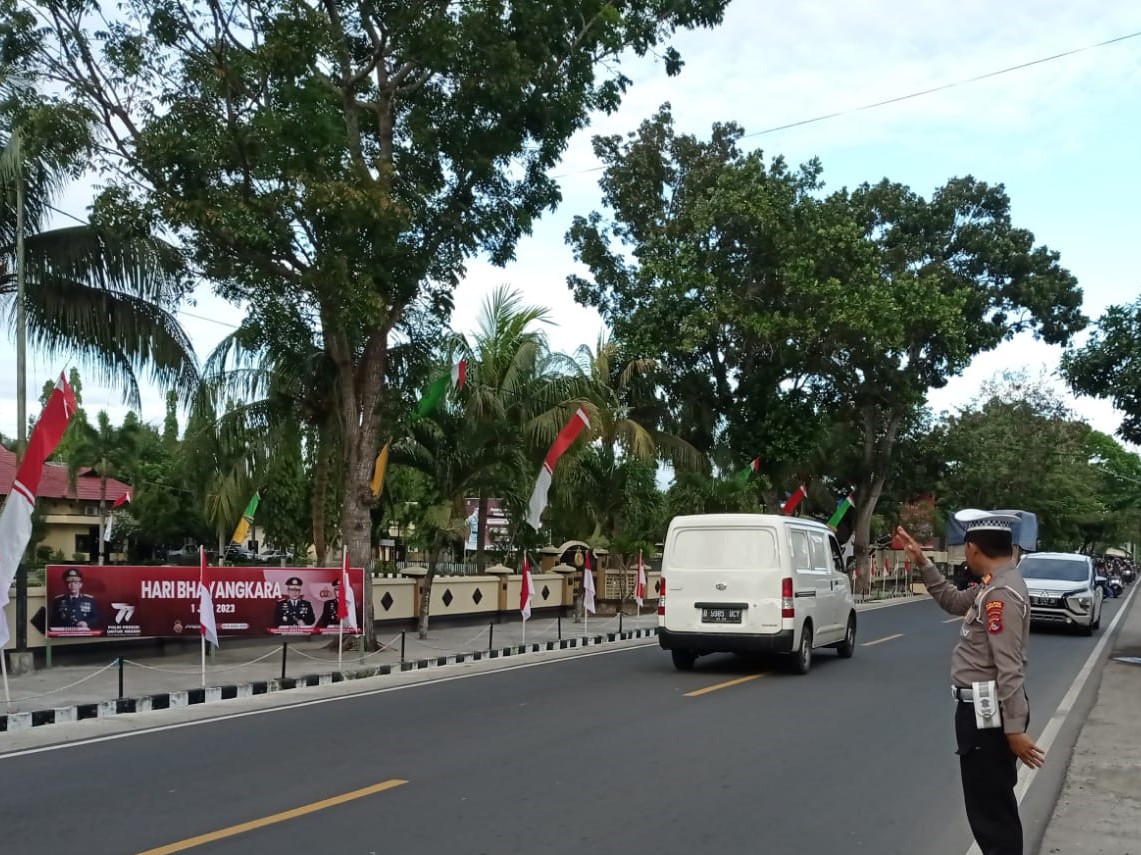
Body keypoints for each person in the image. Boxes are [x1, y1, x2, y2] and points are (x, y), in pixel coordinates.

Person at [897, 510, 1045, 855]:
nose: (965, 555)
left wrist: (1013, 730)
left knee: (992, 816)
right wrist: (923, 561)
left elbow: (1008, 666)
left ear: (974, 549)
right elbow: (952, 601)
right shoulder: (996, 584)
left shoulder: (1000, 595)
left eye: (965, 548)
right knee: (992, 810)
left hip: (987, 714)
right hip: (984, 710)